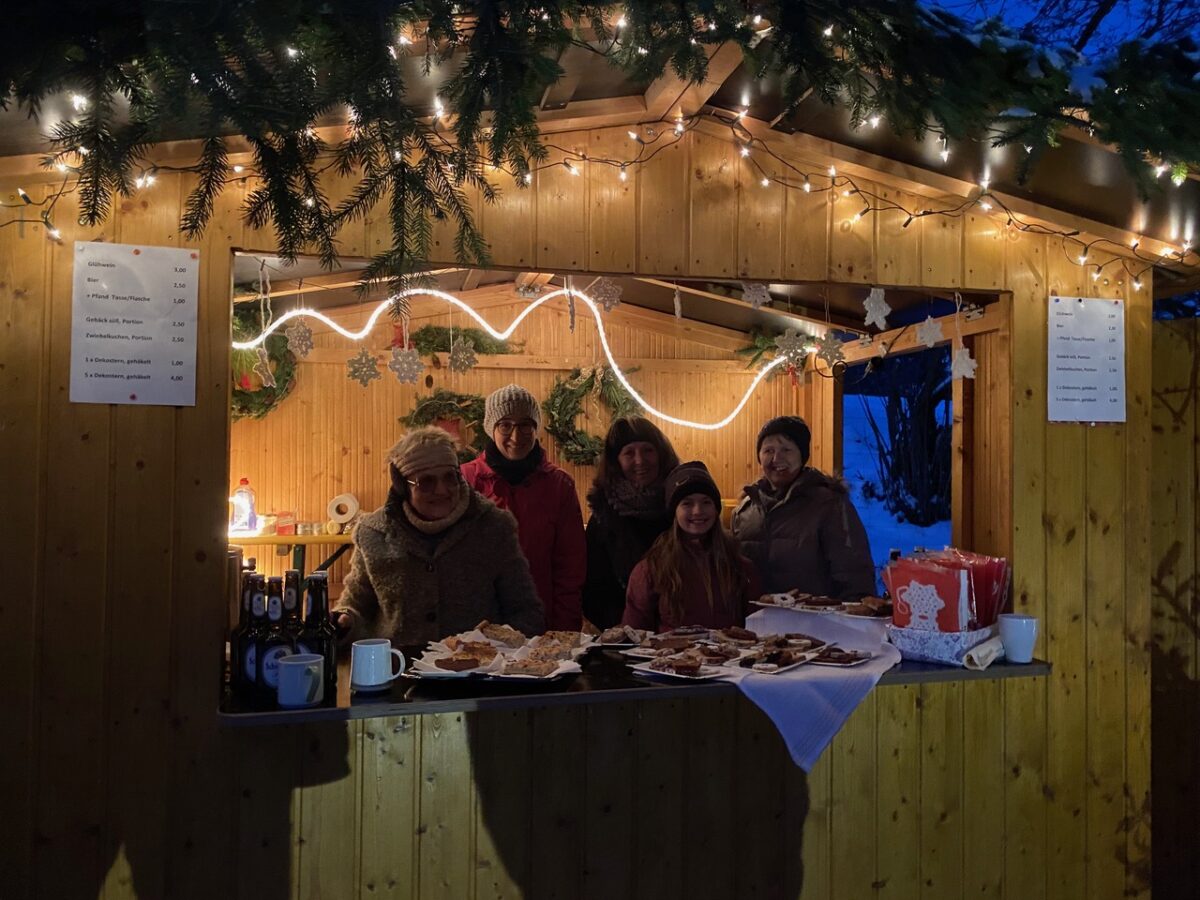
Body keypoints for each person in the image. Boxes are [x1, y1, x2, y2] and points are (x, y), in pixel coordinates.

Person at [332, 426, 543, 645]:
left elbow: (525, 610)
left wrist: (500, 651)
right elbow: (356, 604)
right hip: (397, 664)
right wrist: (345, 620)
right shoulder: (373, 533)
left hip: (479, 664)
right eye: (426, 482)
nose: (442, 490)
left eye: (450, 478)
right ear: (403, 486)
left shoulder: (493, 527)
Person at [461, 384, 586, 630]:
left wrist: (565, 629)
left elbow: (570, 566)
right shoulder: (465, 480)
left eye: (525, 425)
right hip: (478, 625)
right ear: (491, 428)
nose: (516, 436)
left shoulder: (559, 485)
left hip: (541, 624)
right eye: (505, 425)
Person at [731, 416, 875, 600]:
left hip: (814, 616)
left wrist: (854, 612)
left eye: (786, 450)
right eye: (768, 450)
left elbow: (854, 574)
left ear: (802, 456)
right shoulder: (745, 511)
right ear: (759, 457)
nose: (776, 458)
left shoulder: (830, 505)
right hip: (756, 617)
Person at [623, 461, 760, 631]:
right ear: (675, 511)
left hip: (731, 648)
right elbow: (634, 633)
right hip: (672, 649)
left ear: (716, 509)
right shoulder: (650, 570)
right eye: (687, 503)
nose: (697, 511)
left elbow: (757, 627)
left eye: (706, 502)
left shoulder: (741, 567)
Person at [580, 416, 680, 629]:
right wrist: (627, 628)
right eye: (629, 453)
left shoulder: (681, 507)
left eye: (647, 450)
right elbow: (594, 590)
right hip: (626, 633)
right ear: (616, 461)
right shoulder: (603, 517)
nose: (640, 460)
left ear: (661, 454)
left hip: (681, 629)